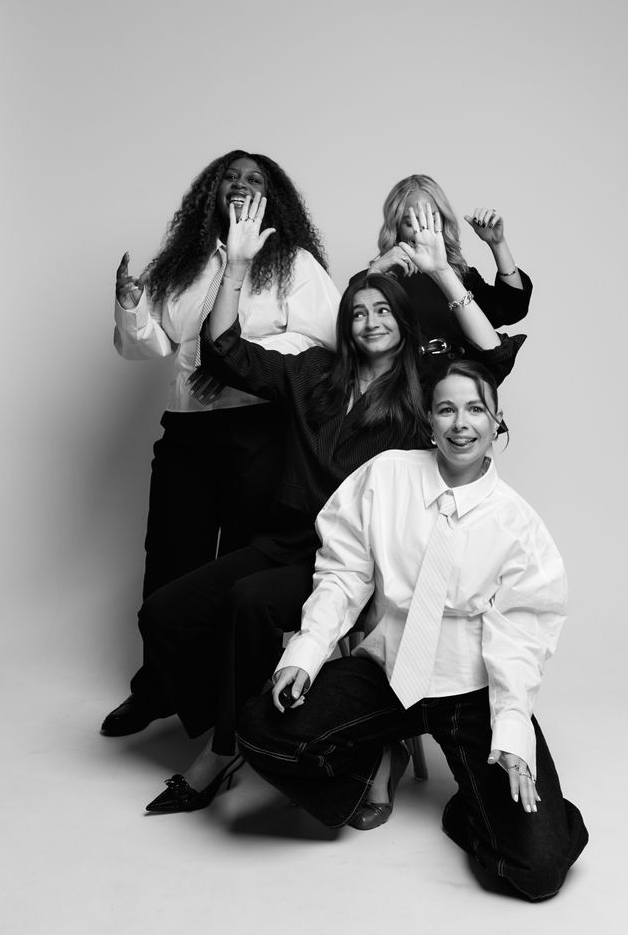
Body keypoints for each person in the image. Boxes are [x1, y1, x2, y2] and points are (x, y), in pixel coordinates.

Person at [138, 196, 526, 813]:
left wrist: (444, 272)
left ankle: (222, 748)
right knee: (164, 614)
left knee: (249, 604)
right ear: (344, 324)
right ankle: (239, 720)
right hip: (282, 540)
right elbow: (225, 352)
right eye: (358, 312)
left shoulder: (423, 392)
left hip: (355, 560)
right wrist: (236, 268)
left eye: (383, 311)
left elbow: (491, 359)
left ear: (402, 320)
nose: (371, 321)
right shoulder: (313, 373)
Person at [237, 360, 588, 902]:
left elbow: (521, 633)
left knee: (537, 872)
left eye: (475, 409)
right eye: (446, 408)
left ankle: (475, 806)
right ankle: (369, 771)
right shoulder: (387, 476)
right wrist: (305, 653)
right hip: (388, 671)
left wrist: (514, 728)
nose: (460, 423)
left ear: (497, 422)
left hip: (470, 688)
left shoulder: (518, 524)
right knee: (262, 726)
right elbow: (344, 572)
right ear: (429, 419)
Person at [101, 151, 340, 737]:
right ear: (212, 191)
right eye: (230, 176)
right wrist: (132, 306)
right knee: (170, 560)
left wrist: (235, 360)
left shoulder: (293, 262)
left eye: (255, 178)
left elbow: (326, 343)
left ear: (271, 196)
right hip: (186, 431)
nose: (241, 184)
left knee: (239, 567)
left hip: (260, 431)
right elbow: (151, 347)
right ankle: (157, 688)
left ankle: (229, 699)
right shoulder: (181, 263)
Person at [355, 174, 532, 351]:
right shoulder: (371, 279)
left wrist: (497, 244)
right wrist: (375, 273)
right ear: (396, 228)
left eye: (431, 220)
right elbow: (356, 338)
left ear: (443, 222)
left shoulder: (461, 275)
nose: (422, 232)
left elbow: (511, 309)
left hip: (460, 376)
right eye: (412, 223)